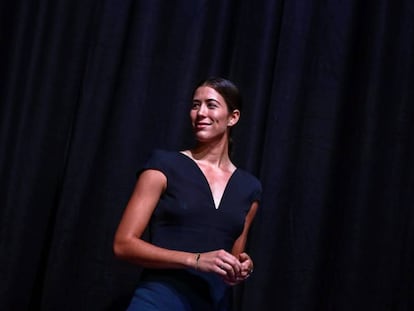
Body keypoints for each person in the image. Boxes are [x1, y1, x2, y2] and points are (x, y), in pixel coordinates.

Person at [113, 77, 262, 310]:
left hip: (214, 303)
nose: (200, 112)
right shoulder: (163, 166)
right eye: (195, 105)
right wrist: (195, 260)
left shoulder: (249, 188)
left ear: (233, 117)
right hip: (160, 300)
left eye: (211, 105)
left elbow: (232, 258)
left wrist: (243, 266)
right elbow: (123, 244)